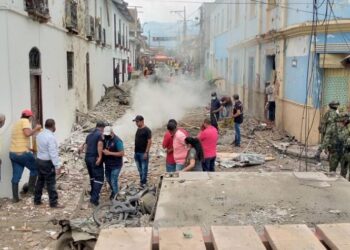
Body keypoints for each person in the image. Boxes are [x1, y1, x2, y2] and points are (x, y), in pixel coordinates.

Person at [9, 109, 41, 202]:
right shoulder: (25, 121)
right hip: (22, 153)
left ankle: (15, 198)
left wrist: (30, 148)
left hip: (13, 153)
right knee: (35, 168)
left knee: (16, 176)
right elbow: (27, 134)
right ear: (30, 117)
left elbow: (20, 138)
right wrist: (36, 128)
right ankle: (31, 191)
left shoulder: (16, 123)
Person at [34, 119, 64, 208]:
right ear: (53, 126)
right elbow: (53, 153)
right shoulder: (50, 137)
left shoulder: (40, 134)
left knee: (40, 181)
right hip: (47, 162)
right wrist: (57, 165)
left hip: (39, 160)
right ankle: (53, 203)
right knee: (51, 182)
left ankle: (37, 200)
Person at [81, 121, 105, 206]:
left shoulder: (89, 135)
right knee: (99, 178)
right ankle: (94, 199)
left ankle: (93, 193)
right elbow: (99, 144)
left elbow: (86, 146)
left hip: (88, 157)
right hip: (95, 158)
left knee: (92, 177)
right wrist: (100, 157)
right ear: (102, 128)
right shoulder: (100, 135)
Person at [102, 126, 124, 199]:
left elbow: (122, 153)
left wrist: (109, 153)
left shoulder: (117, 141)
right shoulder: (106, 139)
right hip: (108, 164)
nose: (106, 136)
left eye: (108, 134)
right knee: (108, 179)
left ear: (112, 132)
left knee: (113, 180)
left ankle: (116, 195)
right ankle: (114, 191)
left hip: (116, 165)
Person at [133, 115, 152, 187]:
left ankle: (144, 182)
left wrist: (146, 152)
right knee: (139, 169)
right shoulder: (138, 129)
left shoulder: (147, 130)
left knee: (144, 169)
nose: (136, 123)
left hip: (143, 153)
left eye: (137, 121)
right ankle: (141, 181)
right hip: (137, 153)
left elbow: (149, 141)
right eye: (136, 122)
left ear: (142, 121)